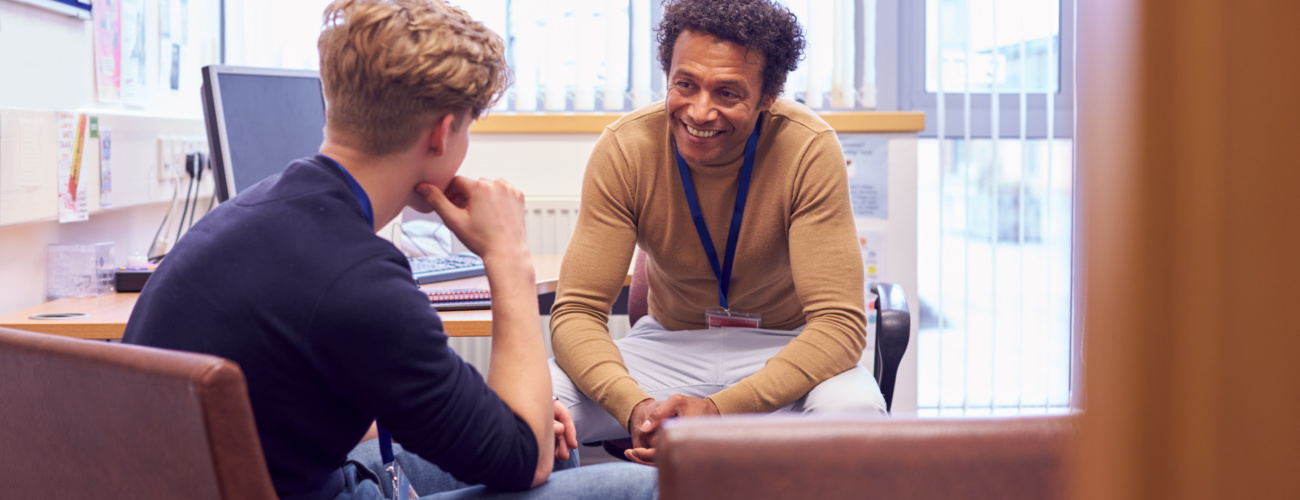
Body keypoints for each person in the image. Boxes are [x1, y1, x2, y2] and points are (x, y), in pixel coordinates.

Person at [123, 1, 656, 499]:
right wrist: (508, 257)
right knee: (647, 486)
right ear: (442, 133)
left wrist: (514, 419)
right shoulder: (359, 282)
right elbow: (523, 458)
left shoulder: (250, 211)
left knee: (551, 442)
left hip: (266, 479)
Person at [549, 0, 887, 465]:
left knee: (856, 412)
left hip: (783, 347)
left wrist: (720, 410)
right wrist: (635, 407)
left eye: (727, 93)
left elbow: (839, 326)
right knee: (537, 403)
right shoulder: (626, 148)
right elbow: (577, 312)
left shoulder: (808, 149)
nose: (699, 112)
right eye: (684, 84)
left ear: (768, 96)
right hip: (667, 348)